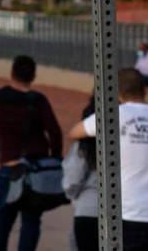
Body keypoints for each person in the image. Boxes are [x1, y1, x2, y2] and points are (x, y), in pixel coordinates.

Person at [69, 69, 148, 251]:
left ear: (116, 93)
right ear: (146, 90)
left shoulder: (112, 116)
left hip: (127, 217)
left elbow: (75, 132)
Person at [0, 55, 62, 251]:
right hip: (35, 167)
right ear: (33, 76)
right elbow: (54, 132)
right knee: (31, 219)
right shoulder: (38, 101)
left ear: (12, 73)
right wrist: (54, 159)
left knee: (3, 219)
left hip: (9, 165)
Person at [63, 96, 98, 251]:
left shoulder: (83, 146)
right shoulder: (126, 141)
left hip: (88, 212)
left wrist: (73, 196)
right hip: (124, 213)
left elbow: (72, 181)